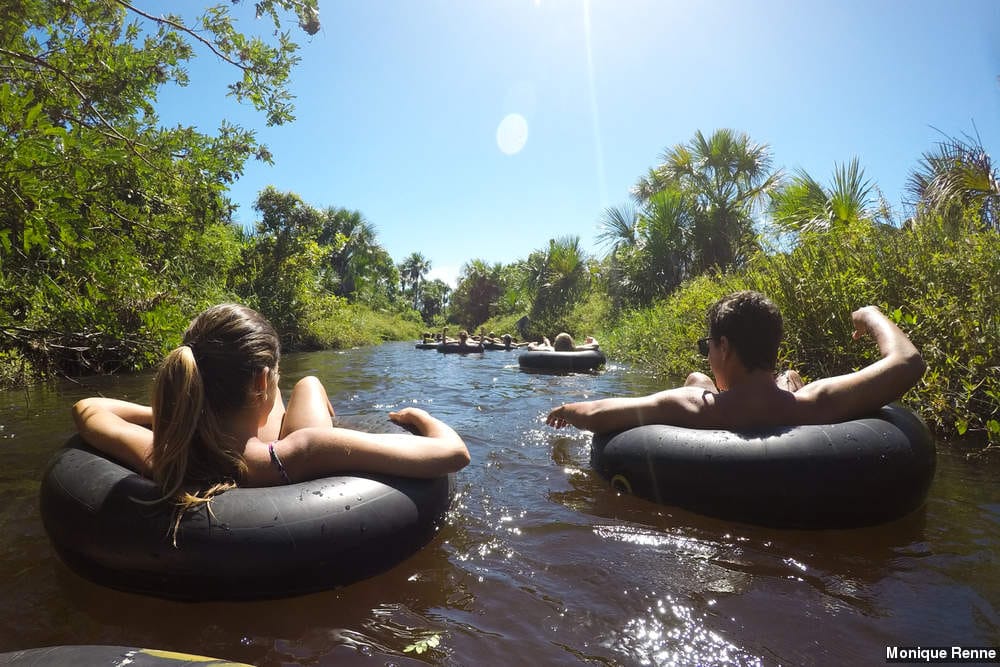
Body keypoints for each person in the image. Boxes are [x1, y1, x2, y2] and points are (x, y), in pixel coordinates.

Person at [73, 304, 470, 522]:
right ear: (262, 382)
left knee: (299, 388)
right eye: (274, 377)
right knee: (309, 383)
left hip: (224, 435)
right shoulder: (308, 449)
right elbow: (453, 455)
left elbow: (89, 409)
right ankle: (298, 387)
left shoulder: (164, 455)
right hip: (279, 459)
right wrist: (421, 418)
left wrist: (175, 417)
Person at [546, 291, 925, 434]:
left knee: (697, 379)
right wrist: (871, 314)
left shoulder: (692, 405)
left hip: (721, 410)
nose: (708, 355)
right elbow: (907, 361)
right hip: (781, 399)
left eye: (707, 345)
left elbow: (598, 411)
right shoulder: (816, 400)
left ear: (724, 347)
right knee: (787, 378)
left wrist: (566, 409)